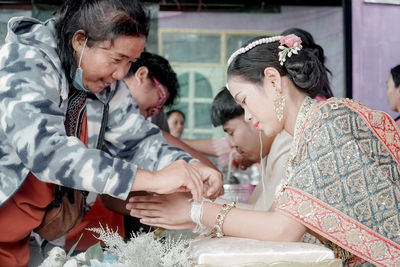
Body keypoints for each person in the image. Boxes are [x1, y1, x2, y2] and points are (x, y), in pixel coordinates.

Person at [128, 34, 400, 266]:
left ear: (272, 79)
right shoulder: (309, 132)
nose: (246, 115)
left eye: (244, 101)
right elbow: (275, 219)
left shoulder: (329, 122)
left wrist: (195, 212)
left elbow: (282, 229)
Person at [0, 0, 222, 265]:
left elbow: (138, 141)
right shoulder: (25, 62)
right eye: (116, 59)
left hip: (32, 235)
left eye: (130, 62)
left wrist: (191, 167)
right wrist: (152, 180)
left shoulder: (107, 88)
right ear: (80, 41)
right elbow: (47, 154)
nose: (121, 73)